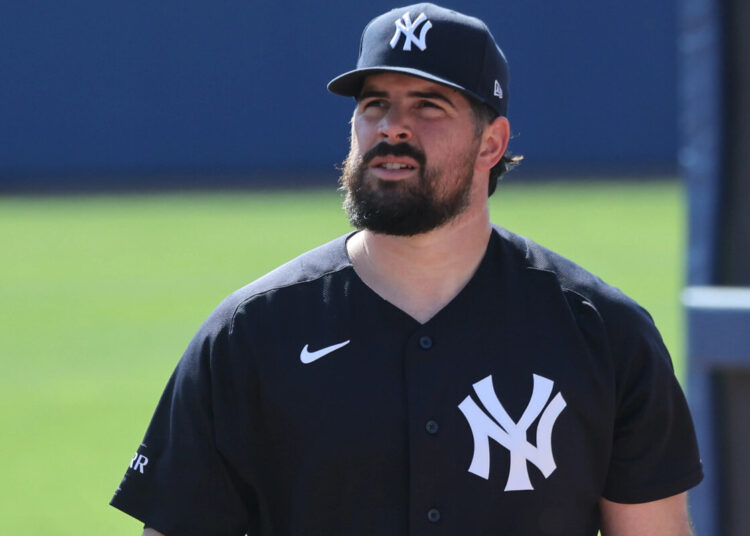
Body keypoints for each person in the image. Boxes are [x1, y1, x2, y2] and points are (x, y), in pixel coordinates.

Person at [111, 3, 703, 535]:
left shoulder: (602, 333)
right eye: (375, 105)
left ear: (491, 144)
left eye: (428, 106)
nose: (393, 127)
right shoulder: (250, 335)